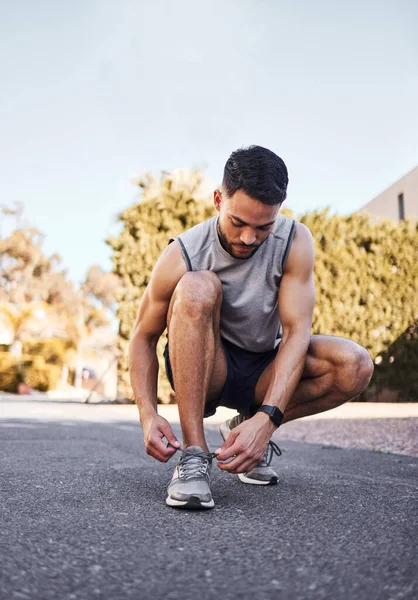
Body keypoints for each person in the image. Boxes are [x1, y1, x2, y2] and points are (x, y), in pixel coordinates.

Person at [128, 145, 374, 510]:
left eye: (263, 227)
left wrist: (267, 419)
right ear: (217, 200)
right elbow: (142, 338)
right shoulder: (184, 252)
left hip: (263, 366)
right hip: (209, 367)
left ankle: (245, 428)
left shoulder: (295, 240)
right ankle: (195, 456)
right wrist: (148, 414)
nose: (248, 238)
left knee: (355, 365)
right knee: (198, 286)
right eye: (237, 223)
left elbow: (295, 333)